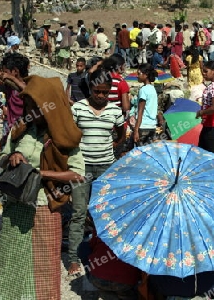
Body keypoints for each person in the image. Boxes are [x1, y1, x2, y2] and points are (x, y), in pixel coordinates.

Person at [0, 75, 86, 299]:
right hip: (17, 205)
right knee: (11, 259)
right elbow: (2, 158)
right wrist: (12, 156)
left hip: (44, 206)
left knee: (43, 266)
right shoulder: (21, 128)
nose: (30, 109)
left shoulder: (65, 135)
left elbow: (78, 175)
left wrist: (41, 174)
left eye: (36, 105)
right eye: (28, 104)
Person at [71, 67, 125, 273]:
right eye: (97, 91)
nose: (101, 96)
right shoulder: (77, 108)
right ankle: (74, 258)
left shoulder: (114, 110)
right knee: (78, 212)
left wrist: (115, 145)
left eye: (105, 92)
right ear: (90, 89)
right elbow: (69, 134)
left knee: (104, 212)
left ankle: (103, 256)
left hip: (106, 168)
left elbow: (121, 132)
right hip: (81, 167)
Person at [194, 61, 214, 155]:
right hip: (209, 123)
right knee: (202, 150)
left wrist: (201, 113)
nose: (204, 74)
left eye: (206, 71)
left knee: (212, 153)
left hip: (212, 124)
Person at [133, 63, 158, 146]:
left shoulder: (143, 90)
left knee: (140, 154)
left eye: (139, 74)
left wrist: (136, 130)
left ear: (146, 75)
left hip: (143, 126)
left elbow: (140, 111)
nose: (137, 76)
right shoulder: (153, 89)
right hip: (152, 126)